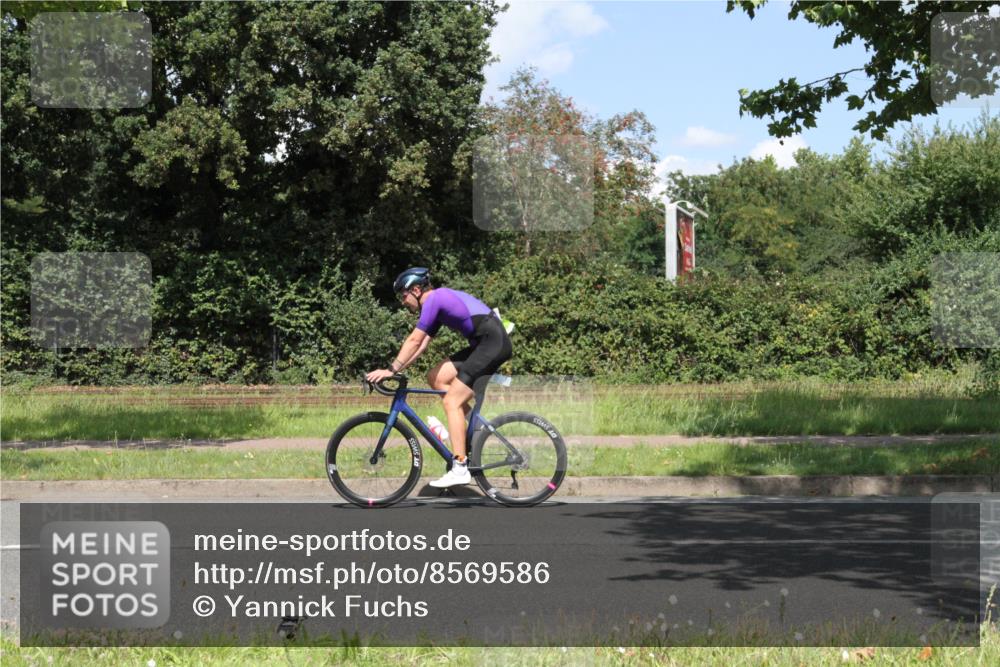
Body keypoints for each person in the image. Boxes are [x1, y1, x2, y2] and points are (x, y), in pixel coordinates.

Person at [366, 267, 512, 488]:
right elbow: (421, 346)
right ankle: (474, 430)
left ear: (416, 290)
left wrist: (390, 370)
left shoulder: (434, 299)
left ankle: (460, 467)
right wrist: (397, 369)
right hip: (484, 344)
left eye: (403, 296)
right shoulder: (435, 305)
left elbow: (414, 340)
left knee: (452, 401)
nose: (403, 302)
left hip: (492, 344)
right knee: (436, 377)